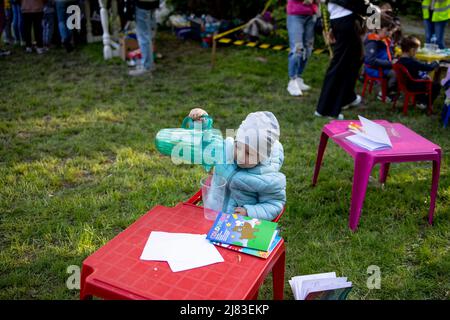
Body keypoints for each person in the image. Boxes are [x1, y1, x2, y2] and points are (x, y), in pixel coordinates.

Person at [158, 108, 287, 221]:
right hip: (212, 212)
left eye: (249, 153)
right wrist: (201, 123)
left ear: (263, 156)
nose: (241, 156)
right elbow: (205, 141)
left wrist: (249, 212)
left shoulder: (269, 178)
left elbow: (274, 204)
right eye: (238, 147)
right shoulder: (226, 149)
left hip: (238, 224)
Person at [315, 0, 375, 119]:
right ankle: (325, 109)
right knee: (339, 66)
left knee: (355, 60)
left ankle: (347, 97)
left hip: (343, 18)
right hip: (345, 19)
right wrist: (373, 13)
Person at [397, 36, 441, 109]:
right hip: (413, 85)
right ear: (412, 50)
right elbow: (428, 67)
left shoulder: (400, 60)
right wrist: (436, 62)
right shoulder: (412, 62)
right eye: (417, 50)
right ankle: (425, 103)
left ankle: (420, 100)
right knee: (436, 86)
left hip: (404, 84)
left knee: (424, 79)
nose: (417, 52)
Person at [286, 0, 319, 96]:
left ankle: (298, 78)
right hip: (295, 14)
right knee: (297, 49)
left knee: (308, 49)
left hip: (311, 15)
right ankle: (292, 81)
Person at [363, 14, 397, 102]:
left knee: (400, 70)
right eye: (387, 30)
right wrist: (390, 63)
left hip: (383, 65)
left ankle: (392, 91)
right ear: (379, 29)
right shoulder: (372, 41)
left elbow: (387, 53)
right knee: (395, 74)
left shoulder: (383, 39)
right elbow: (370, 60)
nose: (389, 33)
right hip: (374, 68)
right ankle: (384, 93)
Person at [129, 0, 160, 76]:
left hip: (143, 4)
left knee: (144, 37)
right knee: (148, 35)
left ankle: (147, 66)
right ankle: (149, 64)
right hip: (152, 3)